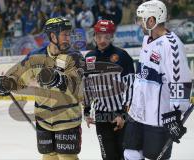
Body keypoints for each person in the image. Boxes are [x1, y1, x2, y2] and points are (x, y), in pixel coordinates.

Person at [0, 17, 83, 160]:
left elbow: (75, 83)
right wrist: (7, 84)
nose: (68, 38)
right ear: (53, 36)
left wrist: (58, 79)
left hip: (68, 120)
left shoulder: (75, 56)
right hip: (44, 120)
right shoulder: (35, 56)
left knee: (68, 157)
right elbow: (19, 77)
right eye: (64, 34)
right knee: (48, 157)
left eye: (69, 34)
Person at [123, 1, 193, 159]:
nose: (139, 23)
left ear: (152, 20)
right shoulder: (146, 40)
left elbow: (180, 80)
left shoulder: (172, 45)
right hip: (137, 113)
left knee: (153, 157)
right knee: (130, 153)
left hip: (158, 117)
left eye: (141, 19)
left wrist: (175, 115)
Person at [83, 19, 135, 160]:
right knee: (108, 156)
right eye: (99, 36)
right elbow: (87, 86)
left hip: (120, 115)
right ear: (94, 36)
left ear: (112, 37)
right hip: (101, 116)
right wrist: (87, 110)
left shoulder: (122, 56)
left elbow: (130, 87)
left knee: (125, 155)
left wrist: (123, 113)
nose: (102, 40)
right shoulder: (89, 58)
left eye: (106, 37)